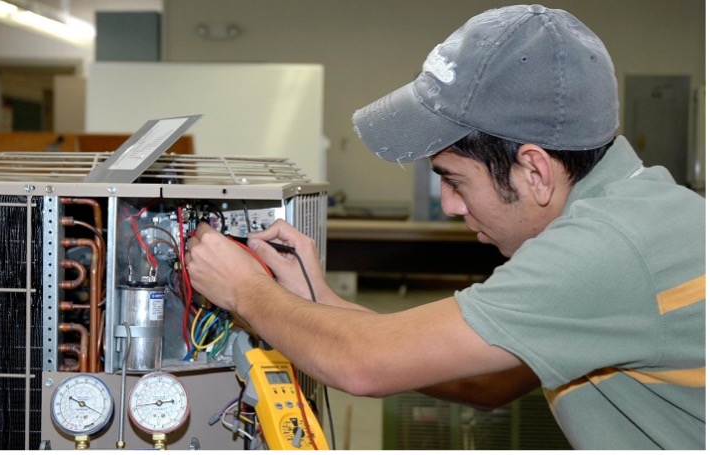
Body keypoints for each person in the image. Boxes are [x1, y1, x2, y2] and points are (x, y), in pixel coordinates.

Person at [186, 4, 705, 450]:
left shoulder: (606, 249)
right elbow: (487, 381)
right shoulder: (639, 209)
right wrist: (318, 299)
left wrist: (244, 290)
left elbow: (364, 364)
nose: (450, 205)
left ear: (535, 172)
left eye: (454, 179)